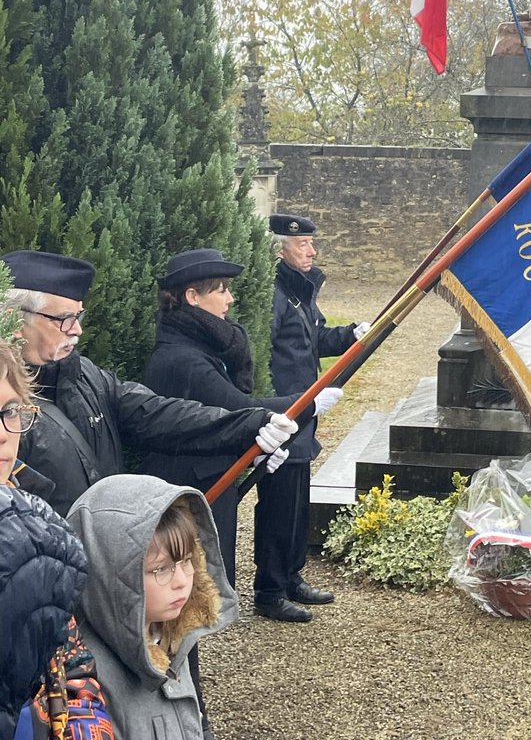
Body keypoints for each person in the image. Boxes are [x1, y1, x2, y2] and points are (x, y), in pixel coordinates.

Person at [3, 250, 299, 518]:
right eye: (64, 319)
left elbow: (158, 413)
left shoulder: (85, 376)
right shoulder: (7, 400)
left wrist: (253, 425)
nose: (77, 330)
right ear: (14, 319)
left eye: (78, 316)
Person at [141, 248, 341, 587]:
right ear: (192, 296)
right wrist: (306, 403)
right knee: (191, 594)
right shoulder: (183, 359)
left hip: (204, 481)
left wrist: (257, 454)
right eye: (220, 289)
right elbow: (235, 410)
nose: (230, 298)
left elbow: (219, 421)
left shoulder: (198, 346)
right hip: (191, 489)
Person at [0, 340, 113, 740]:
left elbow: (69, 659)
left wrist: (89, 727)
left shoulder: (36, 518)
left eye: (9, 411)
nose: (2, 435)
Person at [66, 474, 237, 740]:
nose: (182, 582)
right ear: (107, 573)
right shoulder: (86, 679)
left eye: (187, 561)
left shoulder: (168, 640)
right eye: (160, 569)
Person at [253, 214, 363, 623]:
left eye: (312, 244)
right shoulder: (274, 294)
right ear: (278, 248)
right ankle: (270, 590)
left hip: (303, 413)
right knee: (279, 505)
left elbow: (314, 340)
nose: (312, 251)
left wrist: (352, 334)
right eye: (303, 245)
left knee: (298, 502)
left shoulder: (299, 292)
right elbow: (264, 352)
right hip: (285, 411)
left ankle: (292, 574)